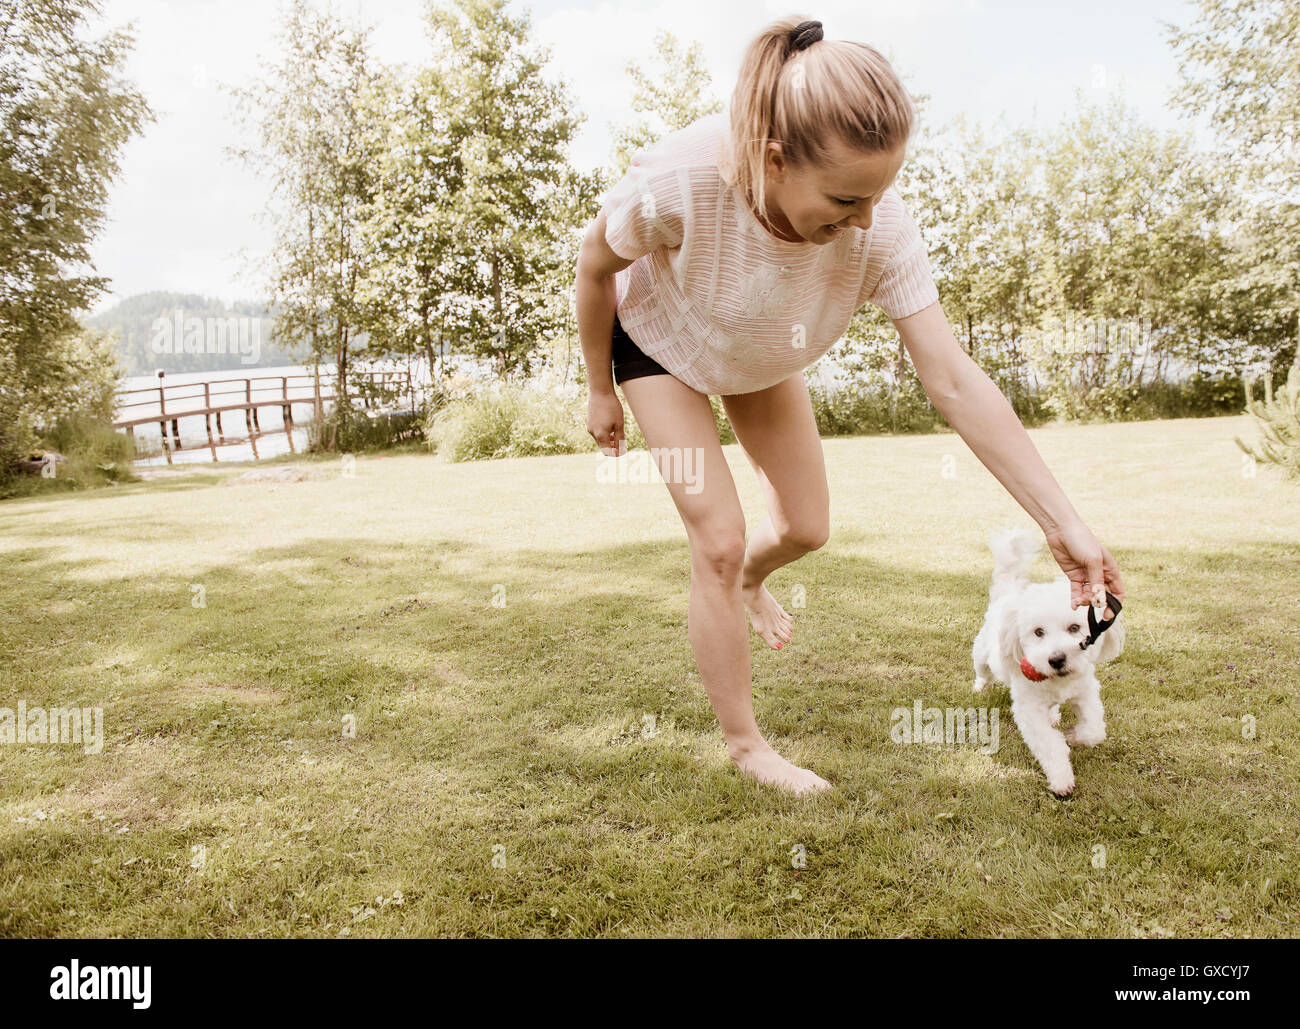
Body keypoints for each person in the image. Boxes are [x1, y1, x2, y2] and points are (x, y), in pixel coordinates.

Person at [572, 15, 1126, 796]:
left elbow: (954, 379)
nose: (865, 218)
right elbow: (594, 269)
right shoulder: (679, 177)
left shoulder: (883, 224)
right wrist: (601, 387)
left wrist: (1064, 526)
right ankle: (747, 746)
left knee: (805, 526)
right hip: (658, 343)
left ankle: (750, 581)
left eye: (878, 194)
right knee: (720, 540)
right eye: (844, 197)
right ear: (772, 158)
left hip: (762, 348)